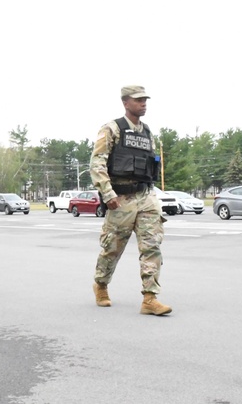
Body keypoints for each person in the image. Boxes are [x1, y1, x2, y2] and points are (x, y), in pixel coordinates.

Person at [89, 85, 171, 316]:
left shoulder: (146, 132)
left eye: (145, 99)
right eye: (138, 100)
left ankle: (150, 298)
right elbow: (97, 164)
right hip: (121, 198)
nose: (143, 103)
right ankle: (101, 284)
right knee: (112, 249)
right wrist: (108, 194)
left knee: (152, 246)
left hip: (146, 196)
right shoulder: (111, 129)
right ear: (126, 102)